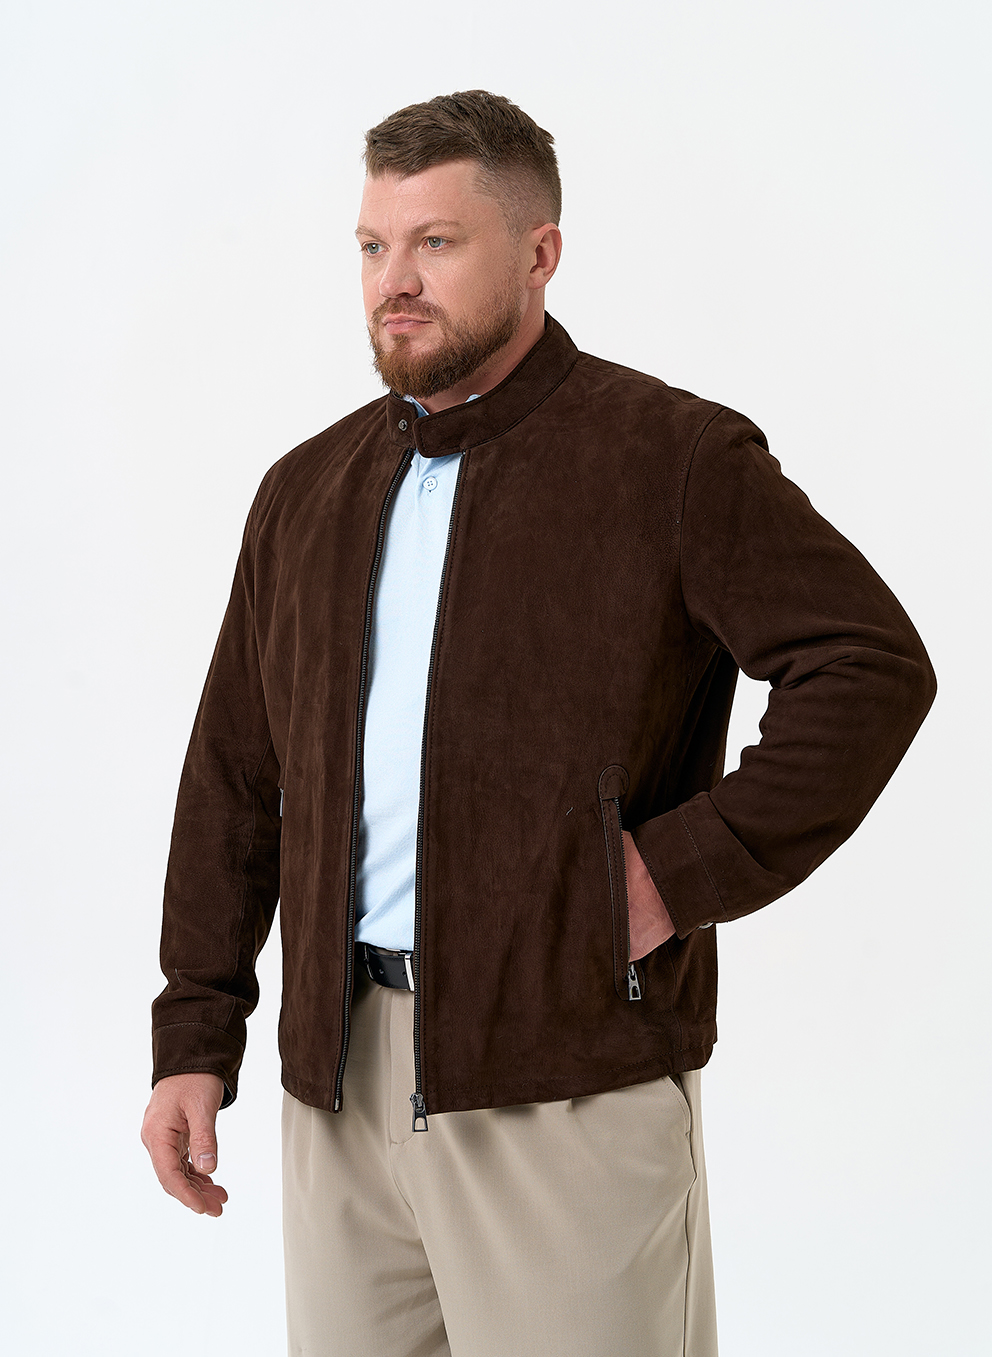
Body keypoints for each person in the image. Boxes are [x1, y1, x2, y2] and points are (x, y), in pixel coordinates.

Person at [141, 90, 936, 1356]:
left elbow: (867, 666)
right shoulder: (305, 492)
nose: (394, 281)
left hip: (563, 1073)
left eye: (435, 242)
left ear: (538, 252)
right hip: (337, 1085)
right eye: (372, 245)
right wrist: (195, 1030)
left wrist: (668, 875)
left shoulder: (668, 458)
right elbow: (234, 778)